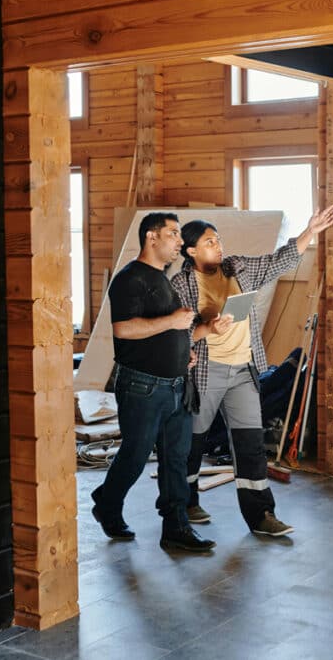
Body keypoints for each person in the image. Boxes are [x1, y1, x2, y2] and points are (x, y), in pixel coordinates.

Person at [171, 205, 333, 537]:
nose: (218, 246)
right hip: (206, 372)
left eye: (217, 240)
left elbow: (280, 260)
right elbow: (175, 332)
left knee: (249, 443)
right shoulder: (181, 284)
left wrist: (311, 231)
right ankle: (185, 502)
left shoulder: (238, 267)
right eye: (208, 242)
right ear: (190, 251)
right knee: (193, 441)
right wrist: (208, 327)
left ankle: (262, 515)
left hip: (243, 371)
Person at [90, 212, 215, 552]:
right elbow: (124, 329)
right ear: (151, 237)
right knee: (135, 455)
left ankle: (175, 527)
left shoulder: (164, 278)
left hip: (176, 384)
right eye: (173, 234)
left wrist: (183, 353)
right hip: (142, 387)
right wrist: (174, 322)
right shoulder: (130, 279)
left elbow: (169, 331)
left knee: (176, 458)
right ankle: (107, 504)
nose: (179, 241)